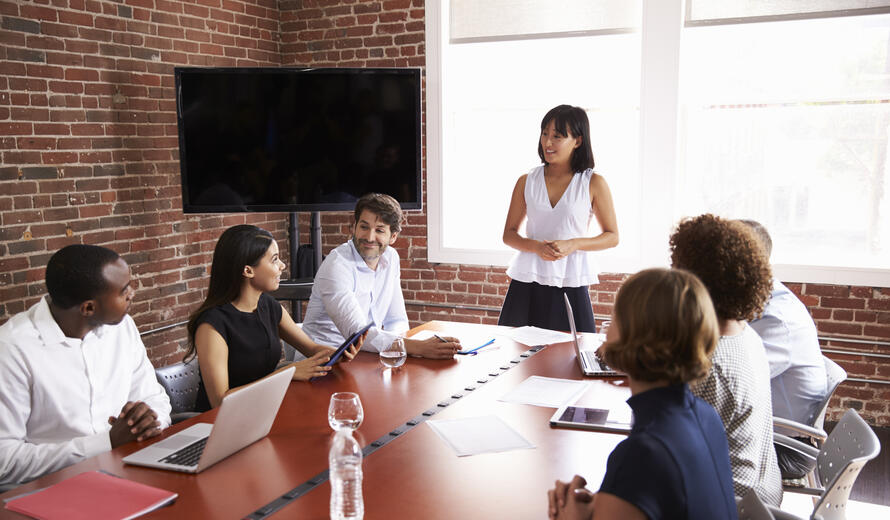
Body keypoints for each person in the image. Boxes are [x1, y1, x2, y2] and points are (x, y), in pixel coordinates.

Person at [547, 268, 736, 520]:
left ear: (635, 334)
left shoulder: (640, 455)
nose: (606, 329)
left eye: (615, 316)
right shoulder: (706, 415)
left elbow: (645, 479)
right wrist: (608, 501)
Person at [0, 245, 172, 491]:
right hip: (55, 489)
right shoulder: (12, 349)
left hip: (129, 469)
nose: (132, 293)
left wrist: (147, 421)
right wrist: (106, 443)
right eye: (123, 290)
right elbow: (4, 460)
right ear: (88, 308)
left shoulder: (122, 327)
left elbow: (154, 397)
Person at [669, 214, 783, 506]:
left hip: (726, 504)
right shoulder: (744, 334)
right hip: (758, 491)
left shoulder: (710, 367)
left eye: (676, 269)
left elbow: (677, 461)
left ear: (693, 280)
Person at [185, 225, 357, 411]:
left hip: (264, 410)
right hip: (220, 422)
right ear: (248, 271)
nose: (282, 265)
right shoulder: (211, 325)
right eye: (274, 259)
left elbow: (312, 349)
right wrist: (286, 374)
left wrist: (339, 354)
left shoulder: (269, 306)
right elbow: (220, 402)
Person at [500, 104, 618, 332]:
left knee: (575, 348)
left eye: (557, 136)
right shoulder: (526, 181)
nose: (547, 142)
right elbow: (509, 234)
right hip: (527, 280)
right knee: (514, 346)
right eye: (545, 134)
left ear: (578, 141)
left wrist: (573, 244)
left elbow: (612, 236)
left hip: (570, 279)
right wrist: (536, 247)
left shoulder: (593, 183)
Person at [302, 193, 462, 358]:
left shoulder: (391, 258)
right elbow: (357, 335)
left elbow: (396, 320)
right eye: (364, 227)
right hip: (323, 360)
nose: (369, 237)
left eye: (379, 230)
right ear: (354, 227)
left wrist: (398, 352)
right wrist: (417, 347)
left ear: (393, 236)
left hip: (366, 356)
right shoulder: (337, 265)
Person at [740, 219, 828, 479]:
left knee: (673, 447)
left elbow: (735, 383)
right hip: (770, 430)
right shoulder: (765, 299)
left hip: (784, 446)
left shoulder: (776, 318)